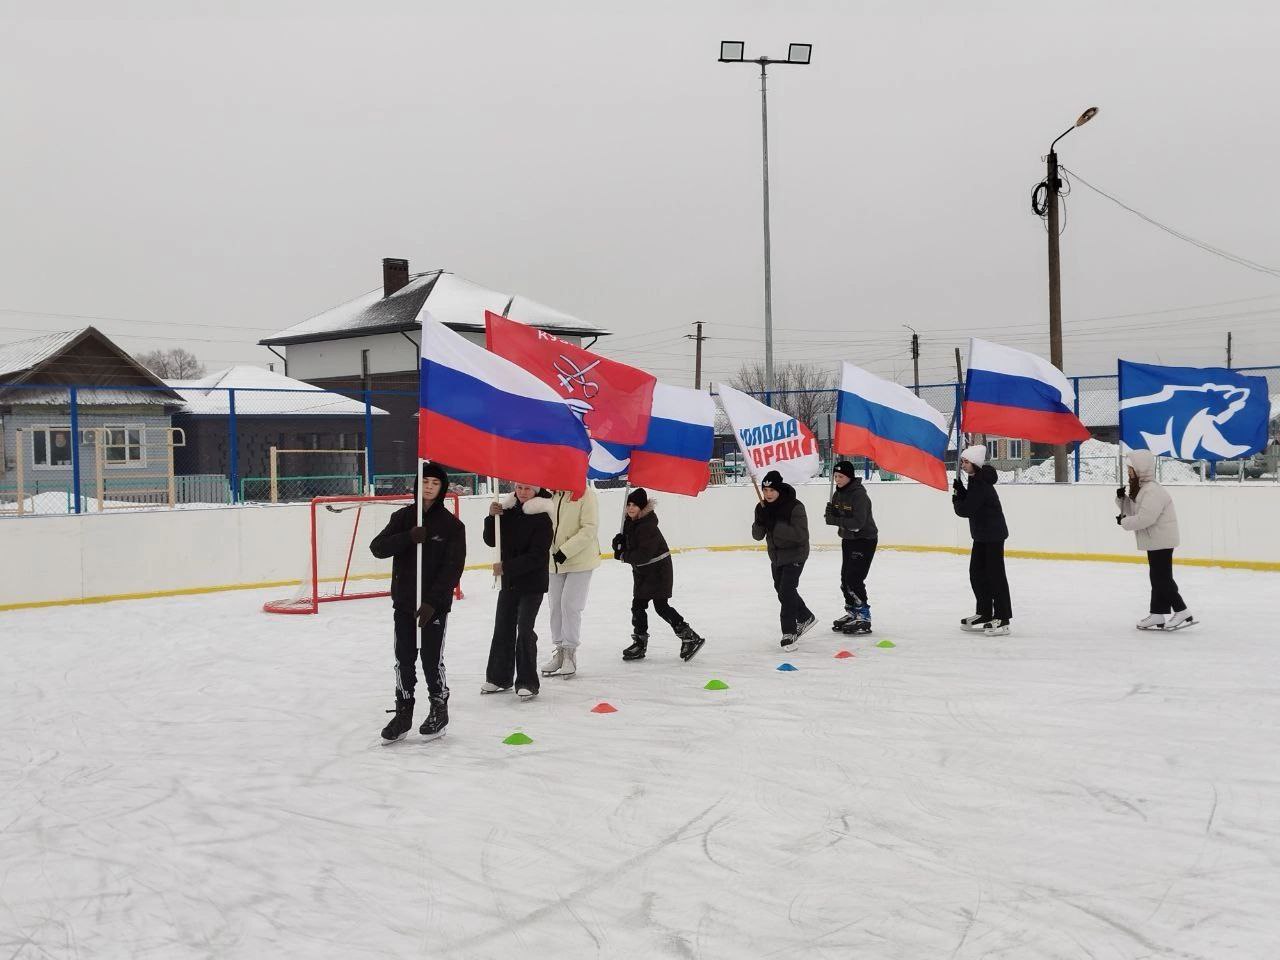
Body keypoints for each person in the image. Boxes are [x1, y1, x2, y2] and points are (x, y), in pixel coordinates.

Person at [369, 461, 466, 743]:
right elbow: (378, 548)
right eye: (425, 482)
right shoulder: (402, 517)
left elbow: (453, 569)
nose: (429, 487)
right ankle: (404, 711)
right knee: (404, 659)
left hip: (433, 606)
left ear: (442, 488)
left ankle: (439, 708)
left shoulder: (452, 526)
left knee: (431, 659)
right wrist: (408, 537)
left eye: (435, 483)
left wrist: (433, 602)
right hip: (404, 602)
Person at [612, 488, 706, 662]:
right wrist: (619, 544)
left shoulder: (647, 525)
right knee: (638, 606)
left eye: (635, 505)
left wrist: (623, 555)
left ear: (642, 507)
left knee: (661, 606)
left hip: (658, 571)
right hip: (643, 572)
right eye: (628, 504)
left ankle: (690, 637)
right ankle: (639, 643)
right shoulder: (630, 523)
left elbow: (644, 554)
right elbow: (631, 546)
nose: (630, 508)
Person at [482, 484, 554, 700]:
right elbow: (491, 540)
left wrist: (506, 567)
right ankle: (498, 677)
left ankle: (527, 681)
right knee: (503, 627)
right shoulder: (507, 512)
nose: (523, 492)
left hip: (532, 584)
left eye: (528, 489)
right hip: (510, 582)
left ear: (536, 491)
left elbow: (538, 556)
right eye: (519, 487)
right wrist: (491, 518)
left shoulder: (542, 518)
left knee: (524, 629)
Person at [1116, 449, 1195, 631]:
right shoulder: (1142, 489)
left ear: (1141, 468)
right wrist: (1122, 500)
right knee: (1158, 578)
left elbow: (1145, 518)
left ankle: (1182, 610)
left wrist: (1125, 522)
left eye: (1130, 469)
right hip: (1155, 540)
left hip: (1161, 540)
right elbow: (1134, 510)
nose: (1128, 472)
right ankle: (1157, 613)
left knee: (1162, 579)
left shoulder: (1152, 491)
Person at [540, 483, 601, 679]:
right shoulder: (550, 494)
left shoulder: (585, 494)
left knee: (570, 605)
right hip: (554, 562)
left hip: (580, 560)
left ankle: (570, 653)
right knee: (555, 606)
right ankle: (559, 651)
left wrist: (565, 551)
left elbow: (589, 528)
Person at [751, 470, 815, 650]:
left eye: (772, 490)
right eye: (765, 490)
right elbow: (757, 536)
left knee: (786, 591)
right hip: (777, 556)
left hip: (796, 554)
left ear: (779, 489)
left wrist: (775, 525)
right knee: (780, 589)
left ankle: (789, 632)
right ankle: (805, 616)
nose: (768, 494)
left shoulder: (795, 506)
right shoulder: (761, 507)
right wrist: (760, 522)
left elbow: (800, 535)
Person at [952, 445, 1011, 636]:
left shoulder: (981, 483)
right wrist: (961, 490)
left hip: (993, 535)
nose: (963, 465)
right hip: (981, 535)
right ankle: (984, 612)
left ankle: (1002, 617)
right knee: (977, 574)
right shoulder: (975, 479)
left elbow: (966, 509)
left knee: (995, 575)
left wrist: (956, 498)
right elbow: (972, 502)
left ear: (975, 464)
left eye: (966, 462)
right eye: (962, 461)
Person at [824, 460, 878, 635]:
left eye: (841, 476)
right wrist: (831, 513)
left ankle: (864, 615)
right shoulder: (837, 494)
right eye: (835, 476)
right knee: (844, 579)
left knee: (854, 579)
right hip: (848, 539)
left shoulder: (859, 495)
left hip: (864, 540)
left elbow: (857, 524)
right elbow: (840, 517)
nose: (837, 479)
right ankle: (852, 611)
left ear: (849, 477)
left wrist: (835, 520)